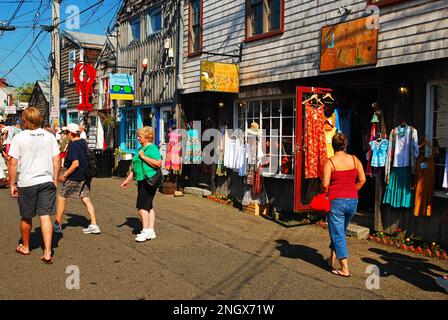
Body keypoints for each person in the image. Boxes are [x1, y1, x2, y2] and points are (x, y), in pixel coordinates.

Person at [8, 107, 60, 264]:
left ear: (25, 120)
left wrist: (12, 184)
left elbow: (13, 163)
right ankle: (48, 252)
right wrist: (55, 179)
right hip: (46, 180)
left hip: (27, 182)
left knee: (27, 215)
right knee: (45, 216)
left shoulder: (19, 138)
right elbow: (56, 159)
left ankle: (25, 246)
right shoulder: (49, 136)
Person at [321, 133, 366, 277]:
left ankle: (344, 268)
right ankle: (331, 258)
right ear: (345, 145)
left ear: (332, 146)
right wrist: (352, 190)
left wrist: (325, 192)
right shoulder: (354, 159)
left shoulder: (330, 162)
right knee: (339, 231)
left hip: (336, 201)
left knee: (338, 233)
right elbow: (362, 179)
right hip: (353, 200)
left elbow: (325, 185)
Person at [53, 123, 101, 234]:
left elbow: (75, 163)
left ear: (71, 133)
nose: (65, 135)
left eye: (66, 133)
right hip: (86, 175)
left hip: (76, 176)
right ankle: (94, 224)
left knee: (61, 197)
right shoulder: (83, 142)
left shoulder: (74, 145)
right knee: (85, 198)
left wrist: (64, 175)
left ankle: (57, 224)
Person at [121, 126, 162, 242]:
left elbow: (158, 163)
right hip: (141, 179)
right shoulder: (141, 148)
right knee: (148, 206)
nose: (138, 138)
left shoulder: (152, 148)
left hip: (148, 180)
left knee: (141, 207)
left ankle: (145, 231)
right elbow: (135, 168)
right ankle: (150, 230)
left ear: (147, 137)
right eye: (138, 136)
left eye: (140, 136)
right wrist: (127, 180)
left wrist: (144, 157)